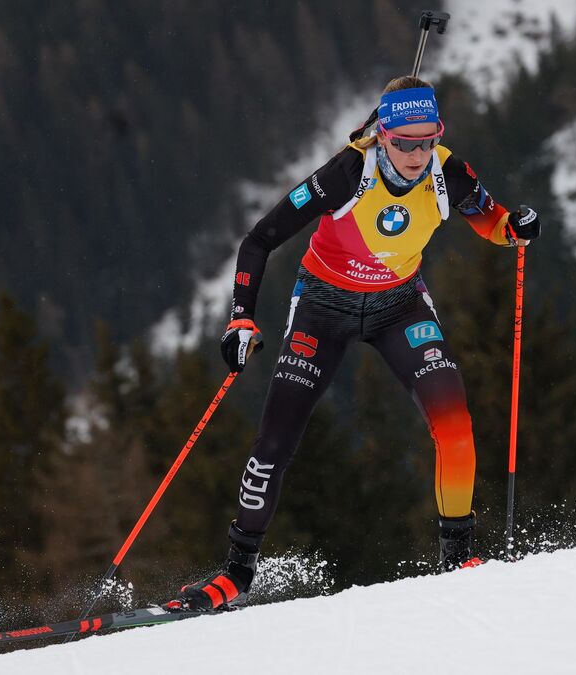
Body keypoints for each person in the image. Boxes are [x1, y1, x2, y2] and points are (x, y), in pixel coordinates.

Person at [165, 75, 540, 612]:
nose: (417, 153)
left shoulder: (450, 175)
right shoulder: (345, 174)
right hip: (323, 307)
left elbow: (493, 221)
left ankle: (457, 557)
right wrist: (241, 319)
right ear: (382, 135)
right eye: (405, 142)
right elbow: (258, 240)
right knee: (274, 444)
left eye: (428, 139)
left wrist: (515, 227)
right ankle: (235, 574)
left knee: (454, 425)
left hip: (399, 306)